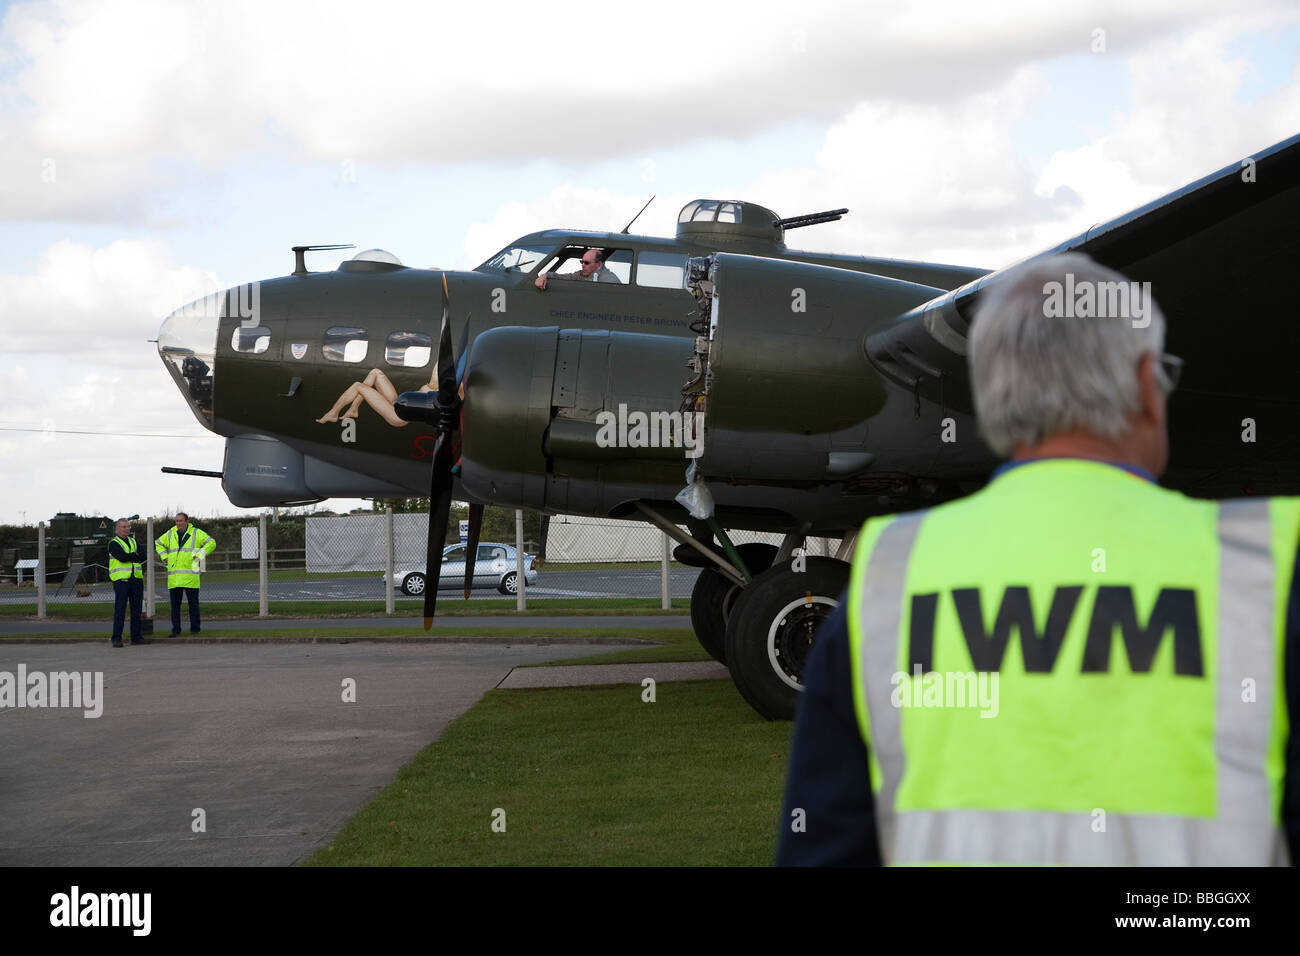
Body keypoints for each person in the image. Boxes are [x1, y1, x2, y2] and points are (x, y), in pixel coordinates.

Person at [777, 252, 1299, 866]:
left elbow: (823, 849)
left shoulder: (890, 579)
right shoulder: (1264, 565)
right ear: (1144, 388)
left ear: (995, 401)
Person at [155, 512, 216, 636]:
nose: (178, 523)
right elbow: (158, 543)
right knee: (175, 607)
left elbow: (212, 543)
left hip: (190, 576)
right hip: (175, 577)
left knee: (193, 606)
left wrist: (199, 556)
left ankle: (195, 629)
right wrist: (164, 557)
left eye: (181, 521)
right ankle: (175, 630)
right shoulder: (170, 533)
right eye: (176, 521)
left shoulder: (196, 533)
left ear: (187, 521)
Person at [107, 518, 149, 647]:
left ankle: (136, 637)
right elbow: (122, 557)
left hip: (136, 579)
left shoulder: (133, 541)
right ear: (117, 529)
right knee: (120, 609)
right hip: (121, 580)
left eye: (128, 526)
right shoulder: (113, 543)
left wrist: (130, 555)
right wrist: (133, 555)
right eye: (123, 527)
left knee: (136, 609)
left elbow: (143, 556)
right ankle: (116, 638)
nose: (127, 529)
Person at [533, 249, 621, 290]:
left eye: (586, 263)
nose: (583, 265)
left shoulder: (611, 280)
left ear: (599, 264)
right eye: (581, 262)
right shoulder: (581, 275)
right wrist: (545, 275)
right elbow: (564, 277)